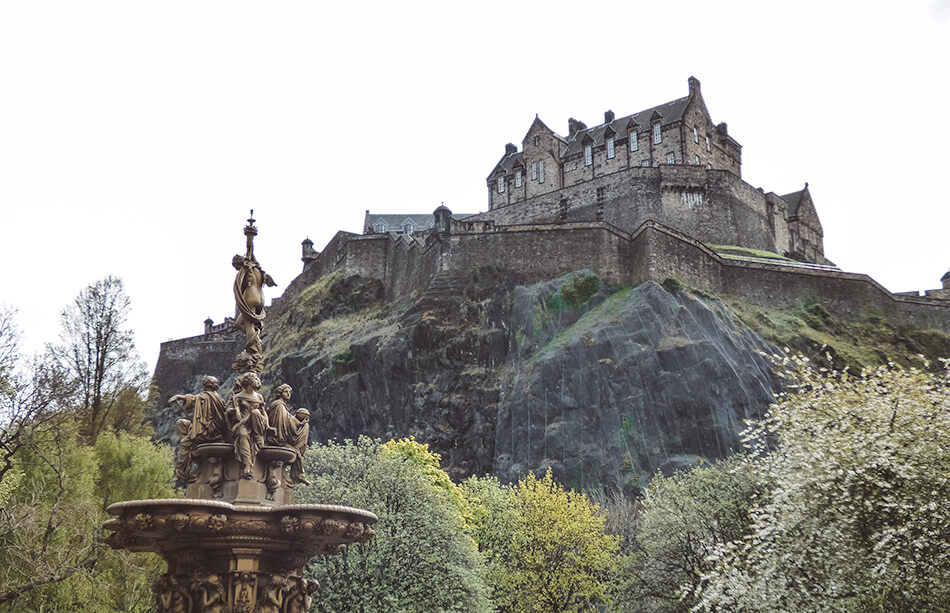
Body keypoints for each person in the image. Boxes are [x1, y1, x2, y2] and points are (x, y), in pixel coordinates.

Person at [170, 376, 226, 482]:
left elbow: (194, 399)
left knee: (185, 443)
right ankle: (191, 443)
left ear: (205, 385)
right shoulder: (215, 397)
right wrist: (180, 397)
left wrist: (179, 396)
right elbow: (193, 399)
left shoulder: (206, 397)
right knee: (181, 423)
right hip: (205, 427)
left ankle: (181, 473)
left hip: (208, 431)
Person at [227, 372, 270, 478]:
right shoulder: (237, 397)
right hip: (243, 423)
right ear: (249, 381)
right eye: (256, 379)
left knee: (255, 412)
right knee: (243, 435)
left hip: (258, 423)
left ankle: (257, 436)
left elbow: (263, 412)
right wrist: (234, 410)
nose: (258, 381)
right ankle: (247, 465)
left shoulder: (259, 397)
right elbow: (228, 412)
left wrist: (268, 425)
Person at [267, 384, 311, 485]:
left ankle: (299, 475)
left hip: (281, 438)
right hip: (278, 439)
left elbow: (288, 420)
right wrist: (298, 422)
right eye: (286, 391)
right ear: (280, 393)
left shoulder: (282, 406)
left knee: (305, 428)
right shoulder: (279, 406)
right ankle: (298, 476)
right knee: (296, 453)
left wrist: (300, 423)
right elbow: (283, 424)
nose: (288, 394)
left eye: (290, 392)